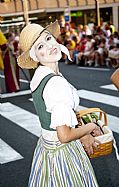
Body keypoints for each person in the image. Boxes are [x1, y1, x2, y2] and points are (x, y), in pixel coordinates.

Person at [18, 21, 100, 187]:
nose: (49, 46)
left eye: (48, 38)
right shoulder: (55, 83)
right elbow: (65, 136)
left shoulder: (40, 75)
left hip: (47, 149)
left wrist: (83, 134)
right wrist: (91, 126)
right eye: (40, 46)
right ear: (35, 57)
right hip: (63, 153)